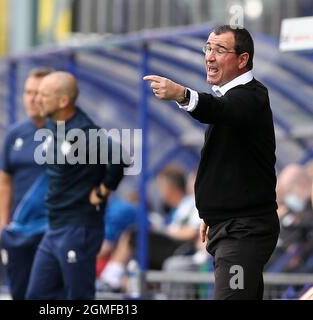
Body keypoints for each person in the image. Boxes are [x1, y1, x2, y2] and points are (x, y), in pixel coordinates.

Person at [144, 25, 280, 300]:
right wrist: (211, 213)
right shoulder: (232, 101)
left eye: (219, 50)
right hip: (228, 227)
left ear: (243, 60)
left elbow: (220, 110)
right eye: (208, 48)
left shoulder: (251, 97)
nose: (209, 56)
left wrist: (182, 95)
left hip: (243, 233)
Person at [25, 71, 127, 300]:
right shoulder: (53, 123)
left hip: (79, 228)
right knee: (37, 295)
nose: (37, 99)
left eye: (44, 94)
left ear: (63, 101)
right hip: (55, 227)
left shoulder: (84, 132)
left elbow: (119, 158)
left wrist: (103, 191)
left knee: (79, 297)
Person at [0, 67, 53, 300]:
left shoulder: (70, 132)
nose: (32, 98)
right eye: (28, 92)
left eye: (38, 93)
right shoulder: (15, 134)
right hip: (20, 232)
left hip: (52, 231)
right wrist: (3, 225)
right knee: (20, 292)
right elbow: (4, 181)